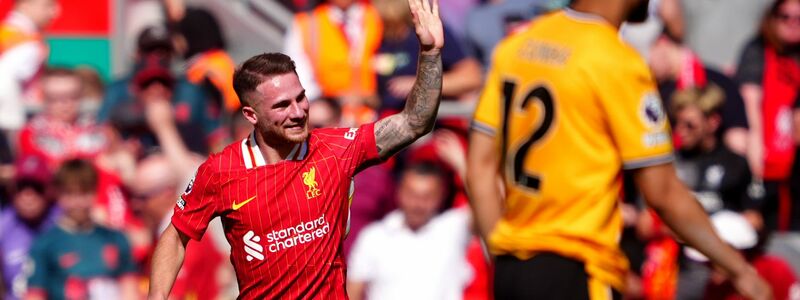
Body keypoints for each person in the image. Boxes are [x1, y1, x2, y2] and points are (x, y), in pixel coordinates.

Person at [466, 0, 771, 299]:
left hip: (510, 268)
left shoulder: (519, 43)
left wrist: (503, 255)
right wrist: (739, 271)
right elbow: (663, 193)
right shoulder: (617, 61)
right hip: (575, 267)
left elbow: (479, 168)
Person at [147, 0, 444, 297]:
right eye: (282, 105)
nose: (298, 112)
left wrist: (430, 53)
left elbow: (413, 123)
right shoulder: (221, 171)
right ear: (251, 115)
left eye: (300, 98)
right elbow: (175, 235)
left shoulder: (335, 150)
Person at [347, 162, 471, 300]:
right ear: (398, 191)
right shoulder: (374, 237)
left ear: (441, 195)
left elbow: (486, 204)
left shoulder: (454, 228)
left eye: (427, 197)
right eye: (411, 195)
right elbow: (353, 291)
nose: (417, 204)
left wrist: (463, 167)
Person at [25, 159, 138, 300]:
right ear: (58, 195)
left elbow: (129, 289)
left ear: (95, 192)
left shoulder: (115, 237)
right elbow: (34, 294)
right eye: (70, 194)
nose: (78, 202)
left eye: (84, 193)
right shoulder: (44, 243)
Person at [736, 0, 800, 232]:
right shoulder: (757, 50)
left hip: (793, 161)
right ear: (772, 18)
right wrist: (756, 144)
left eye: (799, 18)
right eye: (785, 17)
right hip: (764, 152)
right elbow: (750, 100)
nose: (793, 23)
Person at [648, 31, 749, 155]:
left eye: (643, 56)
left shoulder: (718, 82)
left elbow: (738, 140)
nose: (642, 65)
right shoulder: (653, 89)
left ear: (661, 44)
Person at [17, 68, 107, 169]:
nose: (65, 104)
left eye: (72, 96)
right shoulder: (32, 134)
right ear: (44, 98)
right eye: (56, 98)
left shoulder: (99, 129)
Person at [0, 154, 58, 300]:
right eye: (21, 187)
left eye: (36, 187)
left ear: (49, 190)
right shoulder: (3, 226)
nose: (28, 195)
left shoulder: (64, 222)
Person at [0, 0, 59, 136]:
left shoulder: (7, 33)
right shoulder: (27, 44)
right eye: (48, 5)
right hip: (17, 123)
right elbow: (5, 81)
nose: (55, 12)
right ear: (25, 5)